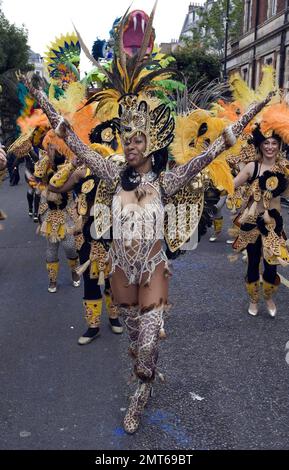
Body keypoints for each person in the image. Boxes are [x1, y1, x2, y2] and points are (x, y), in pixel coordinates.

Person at [21, 27, 271, 434]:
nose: (131, 145)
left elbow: (212, 152)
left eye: (138, 140)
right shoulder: (109, 171)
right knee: (135, 343)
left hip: (154, 268)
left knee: (149, 347)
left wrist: (250, 114)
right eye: (126, 139)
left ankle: (140, 394)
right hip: (121, 270)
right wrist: (42, 98)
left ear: (149, 145)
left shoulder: (166, 182)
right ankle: (145, 371)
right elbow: (77, 143)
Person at [232, 125, 289, 318]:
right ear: (260, 145)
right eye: (266, 143)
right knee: (253, 263)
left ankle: (269, 297)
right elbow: (231, 184)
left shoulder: (284, 169)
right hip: (252, 225)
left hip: (274, 226)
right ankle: (254, 300)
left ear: (279, 145)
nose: (270, 147)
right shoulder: (252, 167)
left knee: (272, 267)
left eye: (274, 143)